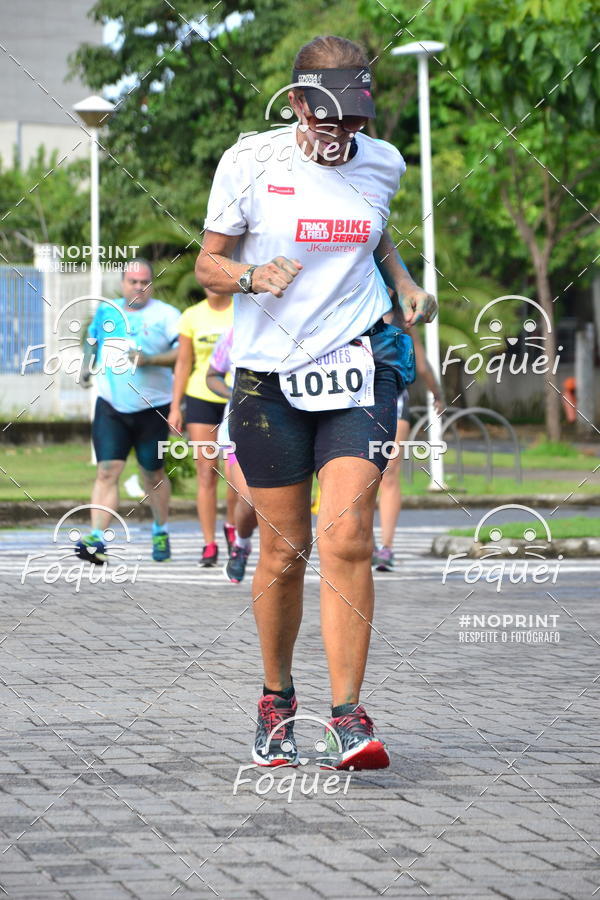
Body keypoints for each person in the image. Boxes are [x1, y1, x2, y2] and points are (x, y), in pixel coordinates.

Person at [195, 35, 437, 770]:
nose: (340, 132)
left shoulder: (384, 161)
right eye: (325, 115)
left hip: (360, 361)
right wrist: (249, 276)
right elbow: (207, 265)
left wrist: (402, 281)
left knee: (349, 534)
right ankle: (276, 701)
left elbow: (376, 229)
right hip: (269, 377)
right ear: (297, 102)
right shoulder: (250, 163)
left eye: (353, 119)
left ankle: (347, 717)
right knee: (283, 549)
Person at [77, 259, 180, 563]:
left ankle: (160, 529)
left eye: (144, 282)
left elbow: (181, 354)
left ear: (152, 284)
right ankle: (97, 539)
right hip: (111, 405)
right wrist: (86, 367)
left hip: (152, 407)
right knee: (107, 471)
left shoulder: (167, 315)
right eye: (133, 281)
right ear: (123, 283)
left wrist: (150, 359)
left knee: (153, 474)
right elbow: (92, 341)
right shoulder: (108, 310)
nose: (138, 287)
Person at [167, 289, 234, 566]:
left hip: (235, 395)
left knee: (235, 474)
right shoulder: (191, 316)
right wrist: (175, 406)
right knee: (206, 472)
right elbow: (183, 363)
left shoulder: (241, 310)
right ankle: (209, 543)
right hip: (200, 399)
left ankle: (232, 526)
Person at [373, 323, 443, 571]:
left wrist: (437, 393)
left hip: (394, 399)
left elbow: (420, 364)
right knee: (363, 473)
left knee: (389, 473)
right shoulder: (354, 306)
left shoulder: (405, 321)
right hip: (355, 399)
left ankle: (386, 548)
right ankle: (364, 540)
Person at [205, 327, 258, 583]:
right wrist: (235, 395)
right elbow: (213, 375)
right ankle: (242, 544)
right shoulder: (236, 333)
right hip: (240, 425)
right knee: (249, 499)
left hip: (294, 425)